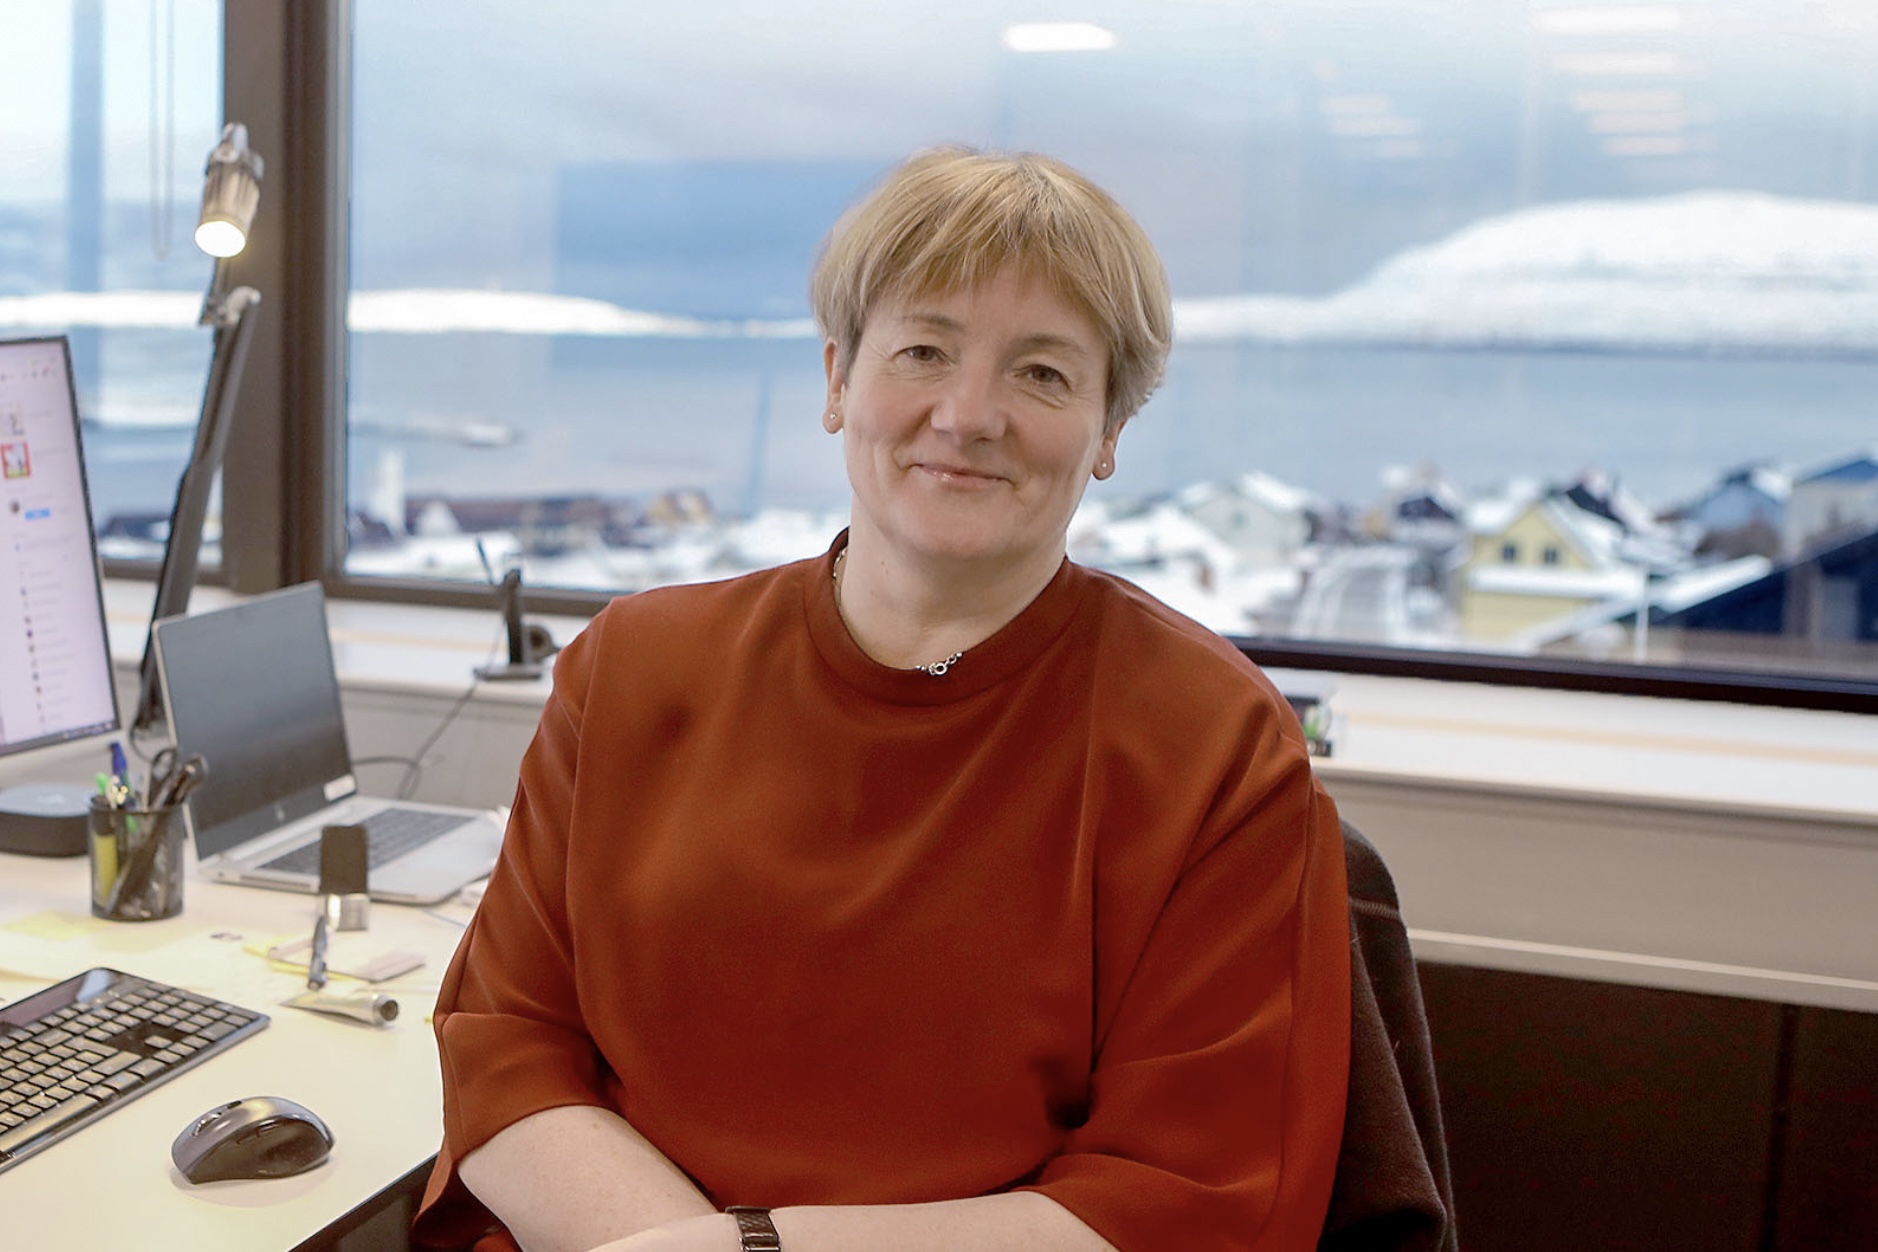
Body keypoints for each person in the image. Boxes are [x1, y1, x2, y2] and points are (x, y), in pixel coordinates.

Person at [413, 146, 1351, 1252]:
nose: (968, 413)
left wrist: (750, 1249)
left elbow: (1185, 1196)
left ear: (1109, 432)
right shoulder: (630, 669)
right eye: (923, 351)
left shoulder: (1216, 745)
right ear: (836, 381)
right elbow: (507, 1044)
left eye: (1043, 374)